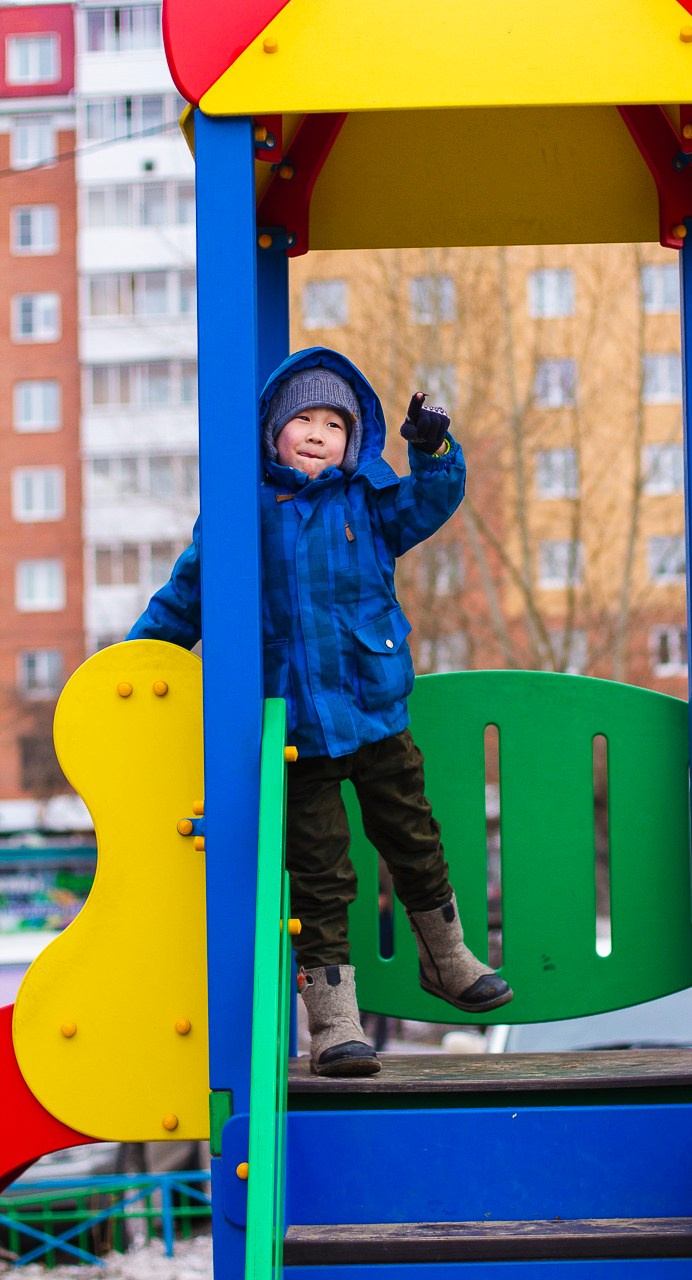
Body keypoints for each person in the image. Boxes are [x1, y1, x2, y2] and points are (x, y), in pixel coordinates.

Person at [127, 347, 513, 1077]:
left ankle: (448, 957)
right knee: (320, 873)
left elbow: (431, 502)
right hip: (295, 726)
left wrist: (431, 449)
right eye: (299, 419)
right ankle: (334, 1022)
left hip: (374, 708)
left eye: (331, 423)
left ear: (354, 436)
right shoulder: (242, 514)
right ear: (273, 431)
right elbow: (186, 598)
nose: (314, 433)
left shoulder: (368, 500)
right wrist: (135, 664)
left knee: (412, 836)